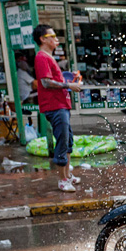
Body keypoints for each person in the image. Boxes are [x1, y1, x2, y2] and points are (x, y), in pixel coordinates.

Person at [33, 24, 83, 192]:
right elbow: (45, 82)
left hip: (61, 104)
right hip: (55, 106)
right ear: (43, 39)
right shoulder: (42, 57)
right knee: (62, 141)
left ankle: (68, 175)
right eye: (52, 36)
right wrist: (68, 84)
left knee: (68, 141)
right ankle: (62, 180)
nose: (56, 39)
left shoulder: (49, 57)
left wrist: (69, 81)